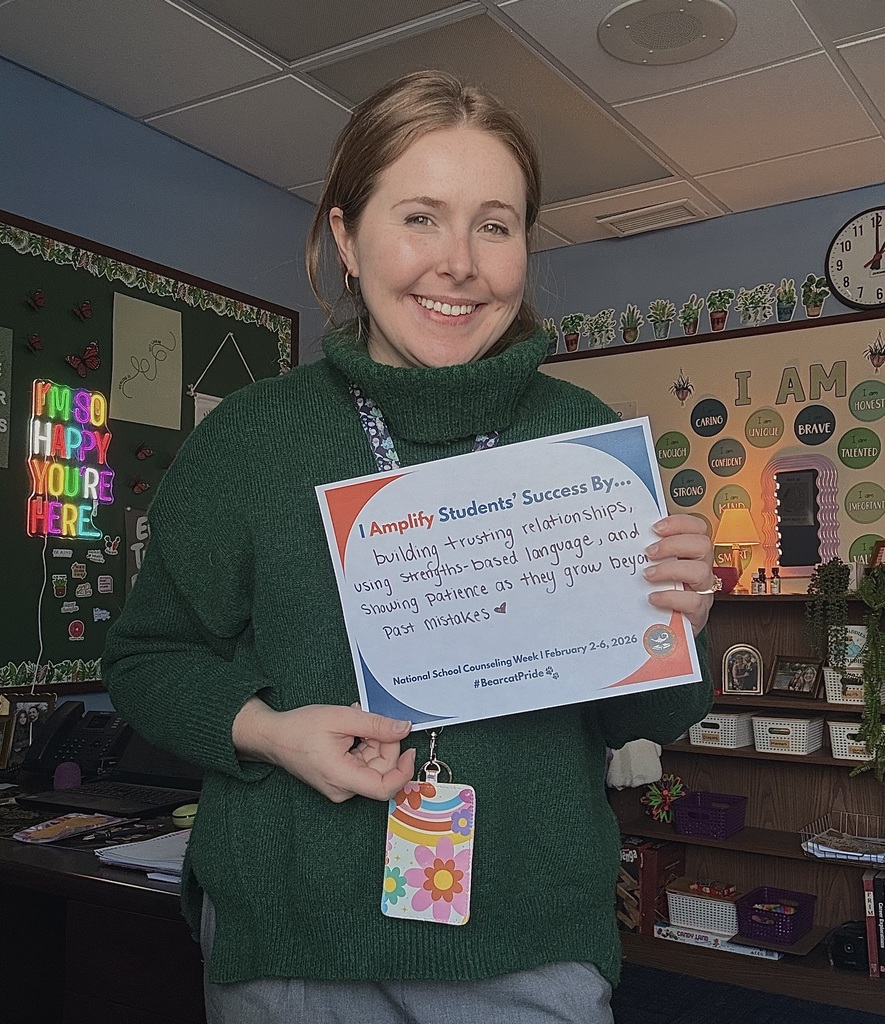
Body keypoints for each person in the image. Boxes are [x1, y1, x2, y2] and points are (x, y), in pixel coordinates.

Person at [103, 71, 714, 1024]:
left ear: (523, 247)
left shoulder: (583, 443)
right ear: (346, 240)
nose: (458, 263)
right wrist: (268, 730)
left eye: (494, 224)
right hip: (291, 942)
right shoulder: (252, 439)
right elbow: (147, 659)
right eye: (420, 217)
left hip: (525, 947)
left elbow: (657, 714)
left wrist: (680, 620)